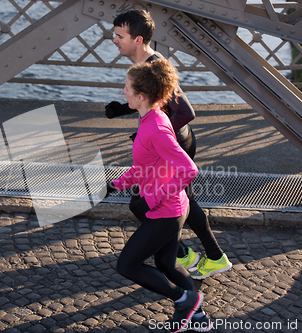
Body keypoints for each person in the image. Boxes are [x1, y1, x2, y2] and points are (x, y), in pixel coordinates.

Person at [107, 9, 231, 280]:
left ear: (137, 40)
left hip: (176, 144)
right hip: (165, 143)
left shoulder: (153, 63)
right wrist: (123, 110)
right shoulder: (145, 63)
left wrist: (156, 138)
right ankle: (189, 253)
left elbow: (185, 112)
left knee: (159, 202)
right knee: (159, 202)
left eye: (119, 36)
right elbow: (154, 101)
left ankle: (207, 255)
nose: (114, 40)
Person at [107, 58, 212, 332]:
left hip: (166, 211)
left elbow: (188, 170)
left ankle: (185, 299)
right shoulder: (151, 118)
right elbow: (144, 165)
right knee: (166, 262)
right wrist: (116, 184)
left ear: (141, 96)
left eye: (126, 88)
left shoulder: (154, 127)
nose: (123, 92)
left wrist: (153, 199)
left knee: (127, 265)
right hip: (174, 208)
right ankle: (198, 319)